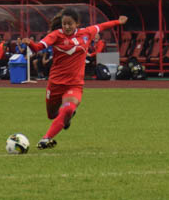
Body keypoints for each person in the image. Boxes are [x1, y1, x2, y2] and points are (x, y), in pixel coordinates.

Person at [22, 9, 127, 149]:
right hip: (55, 84)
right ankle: (66, 118)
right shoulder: (55, 35)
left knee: (68, 109)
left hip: (74, 85)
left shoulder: (86, 33)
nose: (66, 27)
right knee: (52, 115)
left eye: (70, 24)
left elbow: (101, 26)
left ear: (77, 23)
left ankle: (46, 138)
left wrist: (118, 22)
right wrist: (30, 43)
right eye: (64, 24)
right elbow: (38, 47)